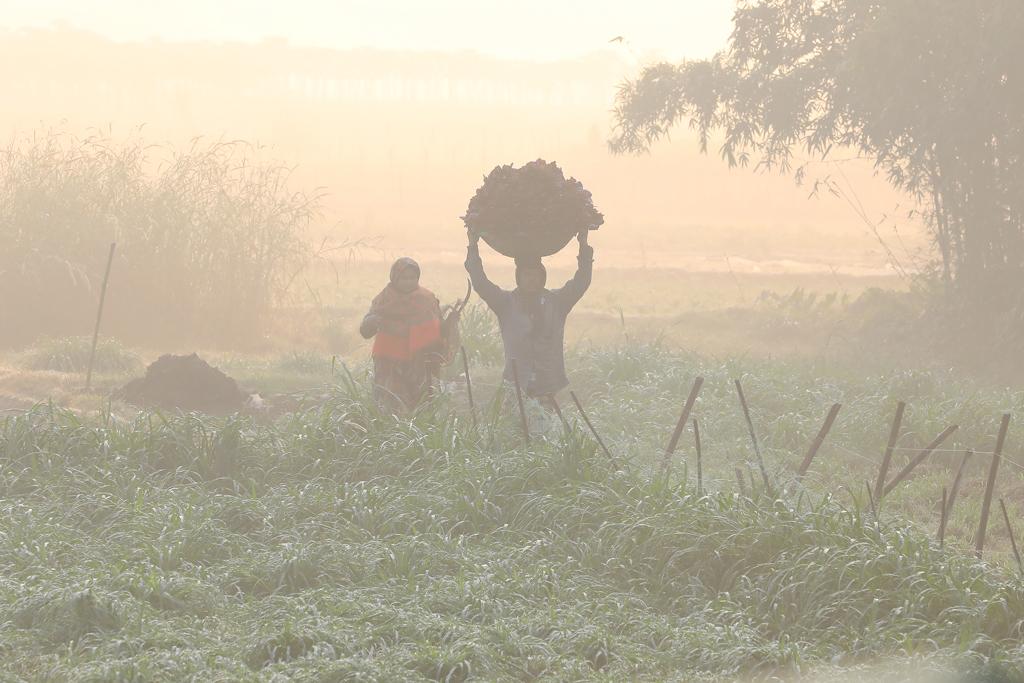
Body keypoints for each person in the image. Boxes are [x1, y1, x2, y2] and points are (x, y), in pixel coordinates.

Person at [464, 230, 593, 406]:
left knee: (547, 430)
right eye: (526, 275)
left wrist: (583, 245)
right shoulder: (505, 303)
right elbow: (480, 282)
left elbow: (582, 281)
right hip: (516, 385)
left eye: (536, 275)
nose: (532, 280)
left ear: (543, 278)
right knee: (516, 429)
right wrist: (473, 246)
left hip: (548, 385)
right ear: (519, 278)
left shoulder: (557, 302)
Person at [360, 258, 443, 413]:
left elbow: (438, 329)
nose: (409, 282)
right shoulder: (384, 298)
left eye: (413, 278)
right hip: (389, 361)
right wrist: (372, 321)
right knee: (389, 404)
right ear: (395, 278)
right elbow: (365, 331)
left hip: (419, 362)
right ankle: (389, 433)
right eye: (404, 278)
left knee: (421, 405)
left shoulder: (427, 299)